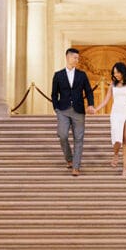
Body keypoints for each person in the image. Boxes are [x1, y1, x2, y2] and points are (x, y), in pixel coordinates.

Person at [51, 48, 95, 176]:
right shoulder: (58, 75)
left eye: (77, 58)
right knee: (62, 135)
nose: (77, 60)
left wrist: (91, 104)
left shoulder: (82, 75)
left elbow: (89, 91)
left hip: (79, 110)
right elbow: (54, 94)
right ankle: (69, 159)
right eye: (75, 57)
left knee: (79, 139)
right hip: (63, 110)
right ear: (68, 57)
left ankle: (76, 166)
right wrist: (56, 108)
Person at [94, 61, 126, 178]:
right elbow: (105, 100)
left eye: (118, 72)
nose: (116, 75)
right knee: (117, 140)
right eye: (114, 73)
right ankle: (115, 154)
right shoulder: (112, 85)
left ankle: (125, 169)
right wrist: (96, 109)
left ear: (123, 71)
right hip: (116, 113)